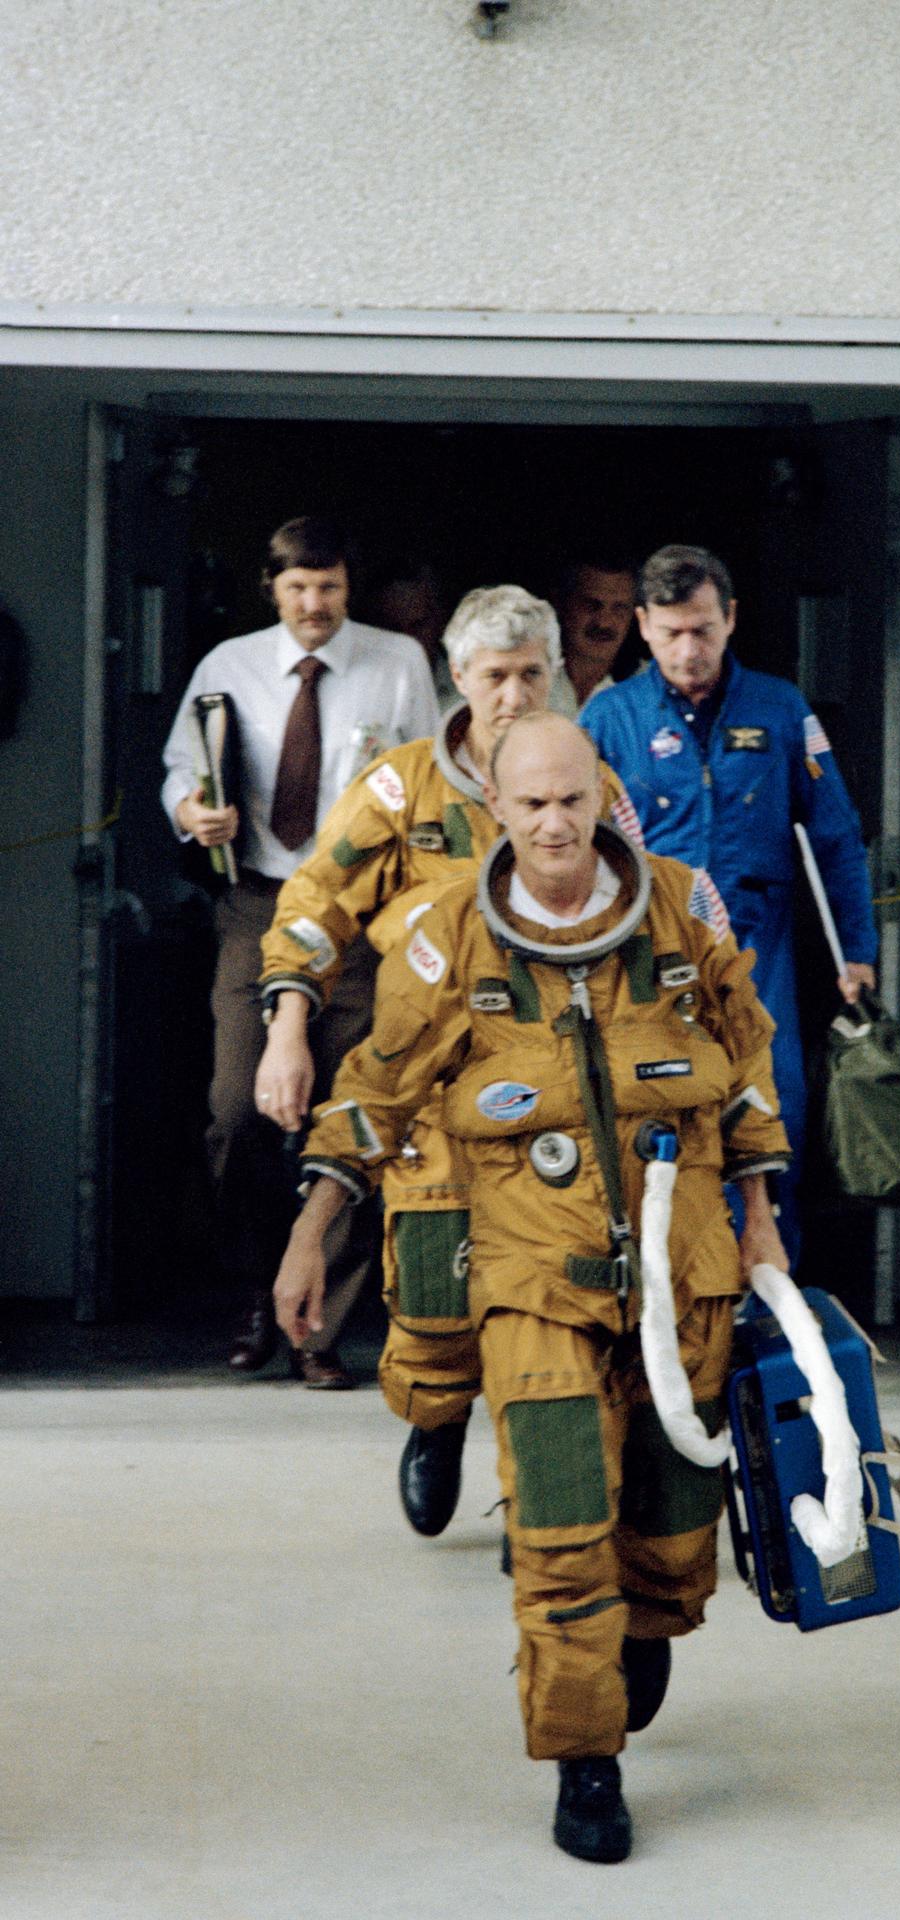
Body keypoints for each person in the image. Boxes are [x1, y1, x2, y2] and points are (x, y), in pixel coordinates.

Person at [273, 712, 790, 1863]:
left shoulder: (682, 907)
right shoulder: (447, 932)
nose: (553, 826)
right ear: (495, 811)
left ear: (603, 797)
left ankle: (646, 1623)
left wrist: (759, 1223)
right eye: (530, 805)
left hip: (681, 1276)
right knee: (559, 1530)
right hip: (532, 1282)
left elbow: (745, 1059)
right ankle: (583, 1764)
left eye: (572, 801)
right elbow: (380, 1086)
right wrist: (313, 1229)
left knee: (666, 1527)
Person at [255, 587, 644, 1531]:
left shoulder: (592, 784)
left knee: (559, 1294)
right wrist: (288, 1026)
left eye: (531, 675)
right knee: (433, 1284)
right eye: (494, 676)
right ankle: (436, 1419)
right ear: (458, 681)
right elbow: (315, 901)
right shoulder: (400, 790)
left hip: (556, 1089)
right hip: (429, 1081)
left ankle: (537, 1490)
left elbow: (642, 918)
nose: (514, 695)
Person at [161, 514, 438, 1385]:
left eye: (329, 589)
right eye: (298, 590)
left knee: (349, 1114)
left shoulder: (396, 664)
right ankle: (254, 1289)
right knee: (239, 1108)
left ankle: (320, 1326)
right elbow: (179, 767)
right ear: (272, 591)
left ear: (348, 591)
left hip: (362, 910)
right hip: (259, 901)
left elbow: (429, 781)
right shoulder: (228, 666)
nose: (315, 605)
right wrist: (190, 812)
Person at [581, 543, 878, 1269]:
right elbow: (572, 849)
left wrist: (858, 954)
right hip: (645, 953)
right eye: (674, 631)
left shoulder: (780, 709)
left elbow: (836, 836)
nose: (690, 649)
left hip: (757, 947)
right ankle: (670, 1300)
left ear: (731, 619)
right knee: (652, 1117)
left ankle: (771, 1306)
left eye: (705, 630)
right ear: (644, 626)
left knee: (775, 1116)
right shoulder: (608, 718)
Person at [547, 558, 637, 716]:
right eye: (590, 605)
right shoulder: (526, 673)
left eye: (619, 608)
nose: (604, 623)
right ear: (560, 603)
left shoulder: (648, 686)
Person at [370, 562, 457, 712]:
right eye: (395, 630)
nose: (408, 641)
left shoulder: (471, 690)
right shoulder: (361, 693)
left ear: (440, 622)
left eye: (418, 626)